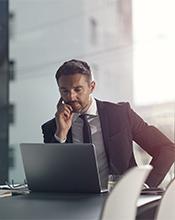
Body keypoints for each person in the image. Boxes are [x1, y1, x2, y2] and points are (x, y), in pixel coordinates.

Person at [41, 59, 175, 188]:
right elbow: (51, 177)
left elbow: (166, 148)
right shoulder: (53, 128)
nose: (71, 97)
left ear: (91, 87)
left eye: (78, 89)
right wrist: (61, 135)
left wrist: (145, 186)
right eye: (64, 91)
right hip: (73, 204)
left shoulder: (121, 114)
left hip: (119, 200)